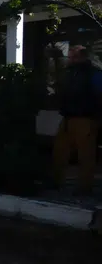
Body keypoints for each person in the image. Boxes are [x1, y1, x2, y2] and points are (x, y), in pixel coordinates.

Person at [52, 45, 102, 195]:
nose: (70, 59)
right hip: (68, 116)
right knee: (59, 151)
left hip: (86, 118)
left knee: (85, 154)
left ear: (82, 57)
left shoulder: (93, 73)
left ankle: (84, 187)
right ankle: (56, 181)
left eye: (73, 57)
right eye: (70, 57)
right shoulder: (69, 73)